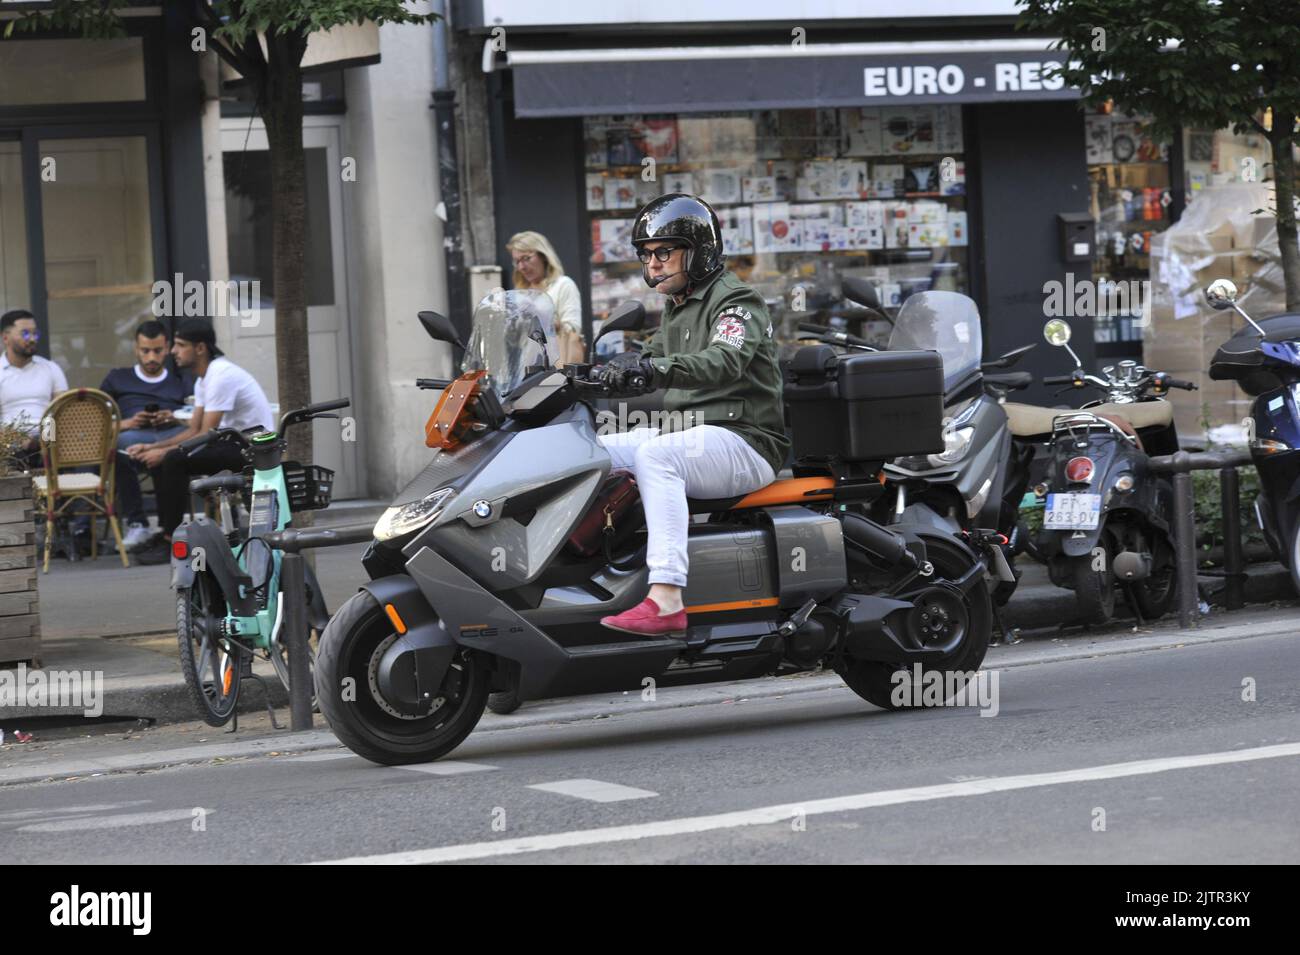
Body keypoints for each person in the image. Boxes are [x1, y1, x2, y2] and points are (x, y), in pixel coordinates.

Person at [595, 194, 790, 637]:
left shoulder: (737, 301)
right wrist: (598, 371)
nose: (653, 263)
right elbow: (653, 355)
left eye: (665, 252)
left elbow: (724, 360)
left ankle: (666, 598)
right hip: (693, 434)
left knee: (657, 456)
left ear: (699, 251)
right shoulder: (679, 305)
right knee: (592, 450)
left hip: (746, 441)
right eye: (647, 254)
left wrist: (653, 369)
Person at [128, 318, 273, 565]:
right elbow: (193, 430)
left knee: (173, 459)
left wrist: (164, 453)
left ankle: (171, 540)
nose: (173, 351)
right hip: (231, 442)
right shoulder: (203, 379)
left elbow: (205, 434)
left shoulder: (220, 375)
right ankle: (166, 532)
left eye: (180, 345)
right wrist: (152, 447)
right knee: (166, 459)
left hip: (251, 449)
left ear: (200, 348)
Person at [100, 320, 193, 550]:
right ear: (136, 349)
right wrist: (128, 423)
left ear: (167, 348)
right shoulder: (117, 378)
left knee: (178, 452)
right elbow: (97, 421)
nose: (151, 357)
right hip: (132, 435)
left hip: (172, 433)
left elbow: (196, 418)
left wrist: (173, 417)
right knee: (120, 449)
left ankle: (168, 526)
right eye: (145, 351)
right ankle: (137, 523)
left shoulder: (181, 379)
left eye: (158, 351)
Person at [0, 309, 67, 469]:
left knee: (58, 443)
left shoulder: (50, 368)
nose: (32, 339)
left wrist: (42, 438)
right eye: (25, 333)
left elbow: (63, 410)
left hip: (48, 436)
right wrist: (16, 438)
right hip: (9, 440)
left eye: (35, 333)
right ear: (5, 338)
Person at [506, 231, 585, 364]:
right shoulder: (519, 293)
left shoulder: (563, 285)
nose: (521, 267)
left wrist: (545, 320)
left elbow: (572, 331)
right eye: (517, 261)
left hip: (556, 368)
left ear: (543, 256)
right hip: (527, 369)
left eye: (526, 258)